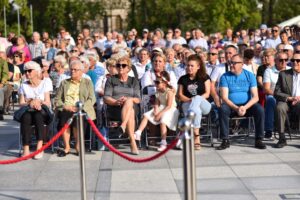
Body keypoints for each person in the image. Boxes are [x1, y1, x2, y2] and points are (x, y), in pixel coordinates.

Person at [217, 54, 266, 150]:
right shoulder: (225, 76)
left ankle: (259, 139)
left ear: (242, 64)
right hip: (231, 106)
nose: (231, 65)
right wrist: (236, 108)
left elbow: (255, 97)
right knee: (222, 109)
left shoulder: (250, 75)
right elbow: (224, 97)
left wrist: (244, 107)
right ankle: (225, 140)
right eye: (230, 62)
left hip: (246, 105)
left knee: (259, 109)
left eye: (234, 63)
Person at [55, 60, 96, 156]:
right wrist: (65, 106)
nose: (72, 71)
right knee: (65, 118)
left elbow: (92, 98)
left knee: (79, 119)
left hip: (82, 109)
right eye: (71, 69)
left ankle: (78, 146)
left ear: (81, 71)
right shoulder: (64, 83)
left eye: (75, 70)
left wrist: (81, 107)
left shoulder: (87, 82)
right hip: (67, 107)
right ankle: (67, 147)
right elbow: (57, 99)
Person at [104, 56, 140, 155]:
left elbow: (138, 98)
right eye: (118, 65)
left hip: (131, 105)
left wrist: (129, 100)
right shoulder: (111, 80)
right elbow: (106, 97)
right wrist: (116, 102)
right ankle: (132, 141)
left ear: (128, 68)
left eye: (123, 65)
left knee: (129, 101)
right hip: (115, 107)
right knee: (131, 111)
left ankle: (123, 126)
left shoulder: (134, 81)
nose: (120, 67)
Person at [134, 71, 179, 151]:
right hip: (162, 107)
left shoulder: (169, 92)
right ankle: (138, 132)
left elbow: (169, 105)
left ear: (165, 83)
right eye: (155, 81)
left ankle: (163, 142)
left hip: (171, 109)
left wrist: (160, 113)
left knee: (163, 120)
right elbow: (157, 103)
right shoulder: (158, 92)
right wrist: (155, 109)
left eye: (157, 82)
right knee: (146, 115)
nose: (155, 84)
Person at [18, 61, 52, 159]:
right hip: (28, 111)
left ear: (37, 71)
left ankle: (39, 148)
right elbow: (21, 103)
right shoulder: (23, 85)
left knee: (38, 115)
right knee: (25, 116)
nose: (27, 73)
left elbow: (48, 102)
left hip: (42, 112)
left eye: (29, 71)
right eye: (25, 71)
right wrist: (30, 102)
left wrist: (38, 101)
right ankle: (26, 149)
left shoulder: (45, 82)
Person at [177, 54, 211, 150]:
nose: (189, 68)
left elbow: (207, 94)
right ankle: (197, 136)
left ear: (198, 67)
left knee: (197, 99)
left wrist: (195, 99)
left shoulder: (205, 77)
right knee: (196, 111)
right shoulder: (183, 79)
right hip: (187, 104)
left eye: (192, 66)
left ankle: (186, 133)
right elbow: (180, 95)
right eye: (188, 65)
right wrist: (191, 101)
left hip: (204, 105)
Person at [274, 53, 300, 148]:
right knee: (280, 107)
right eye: (293, 60)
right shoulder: (283, 74)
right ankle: (282, 138)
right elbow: (276, 92)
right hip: (287, 101)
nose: (295, 63)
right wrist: (290, 98)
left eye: (298, 61)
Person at [263, 52, 290, 139]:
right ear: (275, 61)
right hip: (274, 96)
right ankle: (269, 130)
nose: (284, 62)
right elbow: (266, 89)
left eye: (286, 60)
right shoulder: (269, 71)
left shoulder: (291, 70)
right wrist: (280, 96)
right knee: (270, 100)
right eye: (281, 60)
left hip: (290, 97)